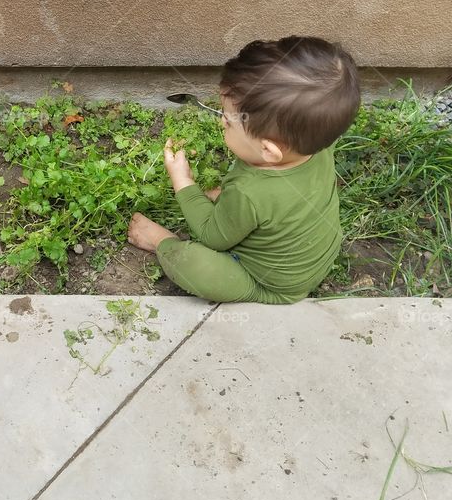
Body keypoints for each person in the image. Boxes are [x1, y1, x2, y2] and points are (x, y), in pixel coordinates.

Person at [128, 36, 360, 304]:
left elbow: (212, 236)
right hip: (309, 259)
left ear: (269, 151)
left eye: (228, 121)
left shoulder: (250, 191)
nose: (221, 123)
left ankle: (160, 241)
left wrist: (183, 182)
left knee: (195, 265)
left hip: (268, 283)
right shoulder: (315, 148)